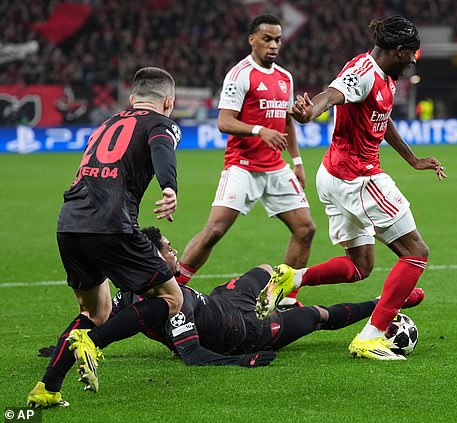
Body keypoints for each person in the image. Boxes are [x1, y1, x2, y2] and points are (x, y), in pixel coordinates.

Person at [259, 15, 445, 361]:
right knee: (416, 252)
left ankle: (291, 280)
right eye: (412, 54)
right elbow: (332, 95)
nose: (413, 61)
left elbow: (382, 118)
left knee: (360, 266)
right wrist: (309, 112)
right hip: (357, 178)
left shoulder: (385, 76)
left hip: (334, 177)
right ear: (399, 50)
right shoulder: (363, 72)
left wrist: (413, 159)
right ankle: (371, 337)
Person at [38, 226, 424, 369]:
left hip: (224, 303)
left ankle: (284, 291)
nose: (175, 251)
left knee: (263, 270)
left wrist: (61, 347)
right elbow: (192, 355)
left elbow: (99, 320)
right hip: (249, 333)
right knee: (317, 317)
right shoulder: (167, 307)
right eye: (169, 249)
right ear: (154, 259)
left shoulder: (132, 296)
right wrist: (243, 360)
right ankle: (385, 303)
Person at [27, 67, 185, 408]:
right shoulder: (162, 123)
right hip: (112, 223)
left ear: (132, 98)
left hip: (70, 223)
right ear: (168, 101)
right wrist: (169, 186)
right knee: (172, 299)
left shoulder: (106, 124)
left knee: (95, 310)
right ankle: (94, 342)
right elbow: (162, 149)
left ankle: (48, 387)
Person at [175, 15, 316, 310]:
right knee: (215, 230)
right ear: (252, 40)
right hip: (242, 165)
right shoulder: (240, 74)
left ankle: (282, 298)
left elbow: (287, 122)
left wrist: (297, 161)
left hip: (276, 168)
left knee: (306, 229)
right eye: (267, 39)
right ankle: (173, 291)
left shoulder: (285, 78)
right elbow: (224, 122)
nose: (274, 45)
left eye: (278, 40)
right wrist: (259, 130)